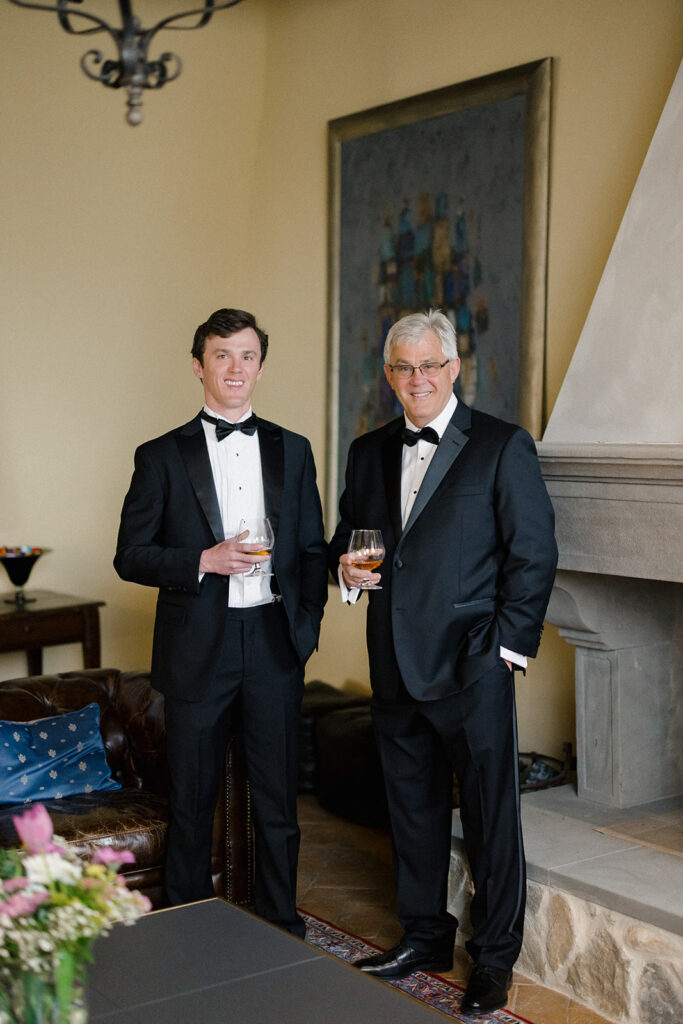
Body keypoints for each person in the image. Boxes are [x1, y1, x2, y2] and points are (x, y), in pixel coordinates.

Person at [328, 309, 557, 1015]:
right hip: (393, 662)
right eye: (402, 368)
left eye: (429, 366)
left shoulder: (500, 445)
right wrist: (344, 573)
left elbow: (533, 554)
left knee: (491, 818)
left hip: (472, 667)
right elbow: (350, 538)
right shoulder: (367, 451)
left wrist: (505, 655)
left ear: (453, 368)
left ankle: (493, 958)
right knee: (411, 811)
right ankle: (425, 937)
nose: (415, 379)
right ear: (388, 375)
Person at [115, 308, 327, 937]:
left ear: (260, 366)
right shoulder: (159, 455)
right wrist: (202, 559)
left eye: (247, 356)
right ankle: (188, 929)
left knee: (277, 799)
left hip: (272, 640)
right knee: (191, 798)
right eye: (222, 355)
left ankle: (279, 924)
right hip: (196, 647)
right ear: (199, 365)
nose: (236, 368)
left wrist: (304, 631)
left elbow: (312, 551)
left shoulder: (295, 449)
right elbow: (129, 555)